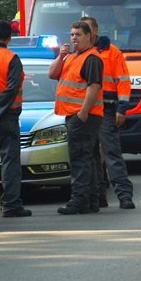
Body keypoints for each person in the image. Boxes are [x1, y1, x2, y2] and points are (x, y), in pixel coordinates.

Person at [49, 21, 104, 215]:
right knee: (85, 159)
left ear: (89, 36)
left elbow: (94, 87)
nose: (74, 38)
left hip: (82, 117)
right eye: (72, 34)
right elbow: (52, 74)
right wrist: (61, 56)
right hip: (74, 114)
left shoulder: (91, 59)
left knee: (80, 158)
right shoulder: (71, 57)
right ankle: (90, 201)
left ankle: (79, 200)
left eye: (78, 34)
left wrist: (83, 112)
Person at [81, 16, 136, 210]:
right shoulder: (79, 54)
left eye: (86, 29)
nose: (83, 34)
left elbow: (123, 81)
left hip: (106, 108)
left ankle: (124, 196)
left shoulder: (112, 53)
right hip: (86, 110)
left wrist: (122, 108)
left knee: (111, 153)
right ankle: (98, 197)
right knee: (91, 155)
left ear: (95, 31)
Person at [0, 20, 32, 217]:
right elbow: (12, 87)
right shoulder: (11, 58)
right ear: (9, 38)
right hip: (6, 116)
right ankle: (11, 205)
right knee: (9, 160)